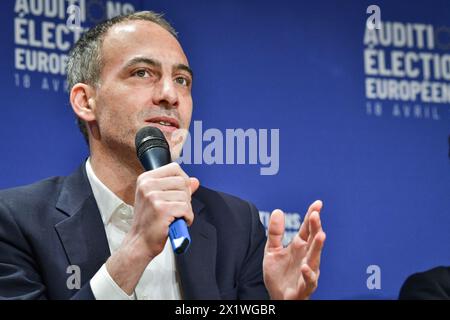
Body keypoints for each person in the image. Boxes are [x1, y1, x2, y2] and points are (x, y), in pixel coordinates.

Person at [0, 11, 326, 300]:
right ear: (86, 101)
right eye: (142, 73)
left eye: (182, 80)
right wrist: (134, 251)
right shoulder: (16, 222)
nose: (170, 95)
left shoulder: (236, 224)